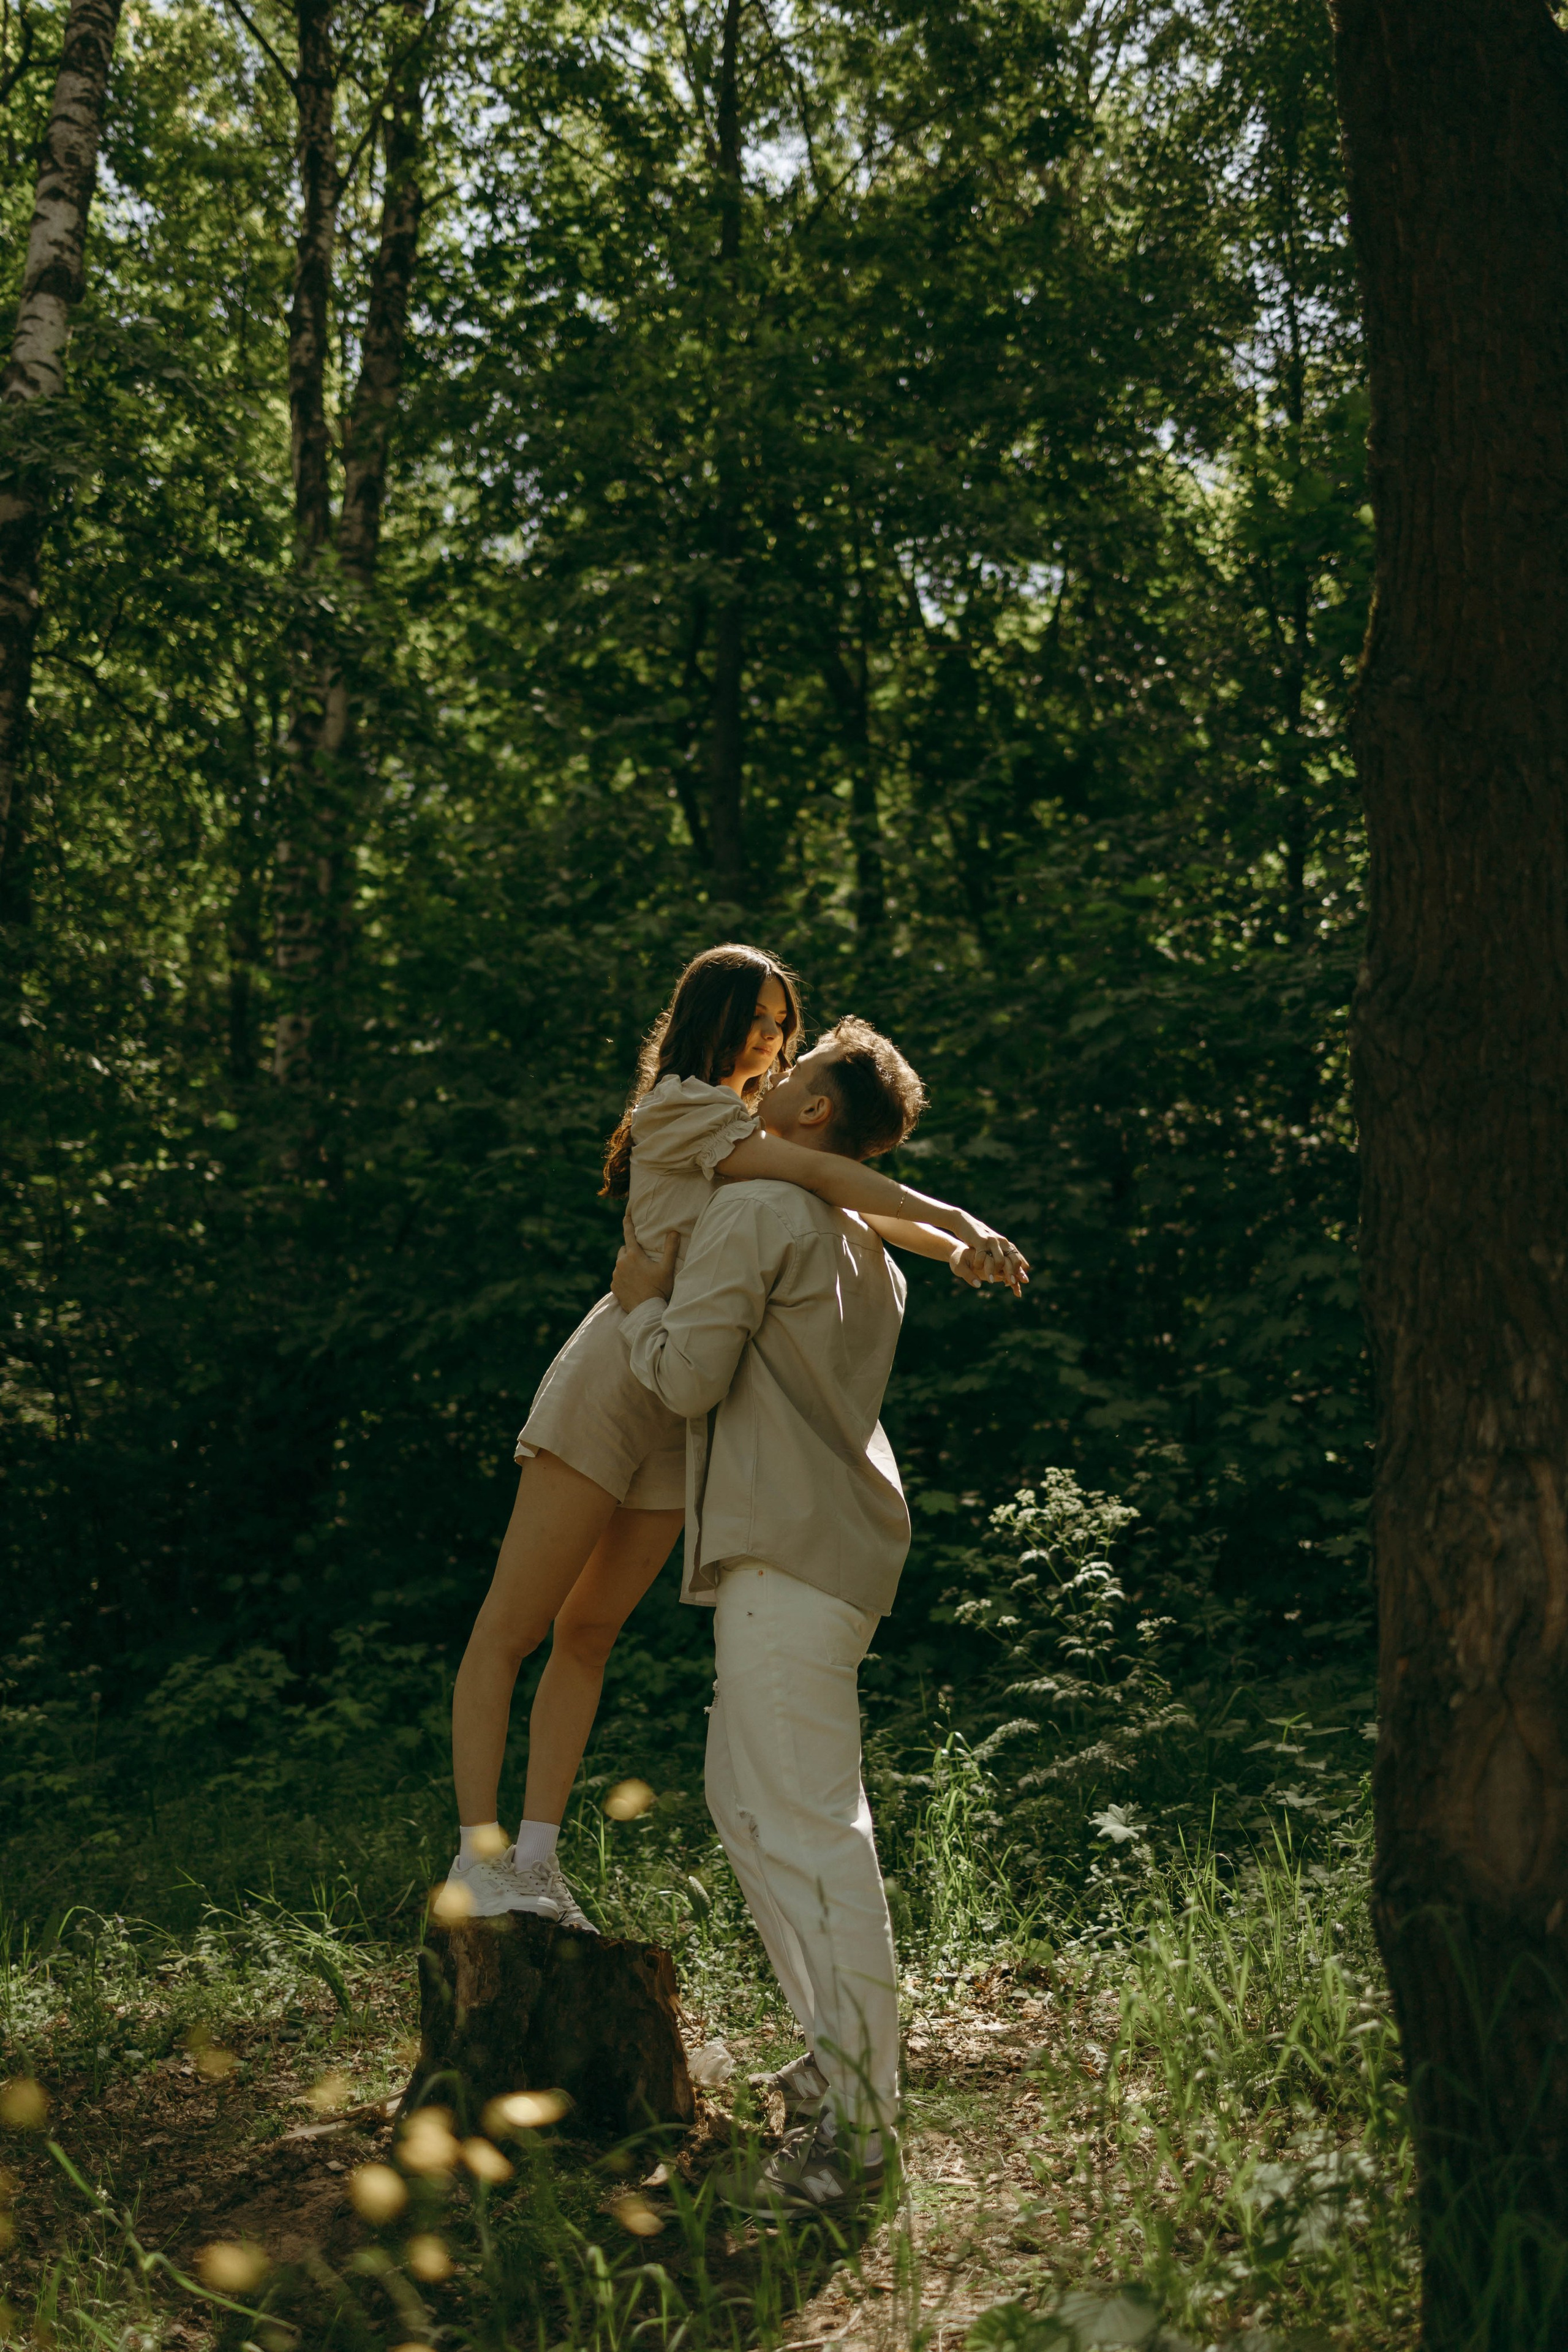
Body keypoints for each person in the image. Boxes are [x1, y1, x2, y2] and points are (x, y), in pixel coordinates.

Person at [443, 944, 1027, 1930]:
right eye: (753, 1020)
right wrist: (963, 1218)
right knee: (514, 1627)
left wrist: (963, 1244)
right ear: (706, 1017)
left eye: (780, 1028)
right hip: (613, 1378)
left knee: (590, 1636)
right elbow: (823, 1171)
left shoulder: (757, 1141)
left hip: (682, 1405)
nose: (768, 1040)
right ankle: (476, 1855)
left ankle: (535, 1864)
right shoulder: (687, 1107)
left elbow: (864, 1205)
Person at [609, 1014, 951, 2216]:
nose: (769, 1072)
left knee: (811, 1829)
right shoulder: (869, 1239)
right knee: (744, 1802)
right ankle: (831, 2061)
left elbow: (687, 1376)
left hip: (786, 1558)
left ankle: (858, 2141)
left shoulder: (759, 1211)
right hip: (825, 1551)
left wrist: (639, 1303)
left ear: (814, 1117)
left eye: (793, 1070)